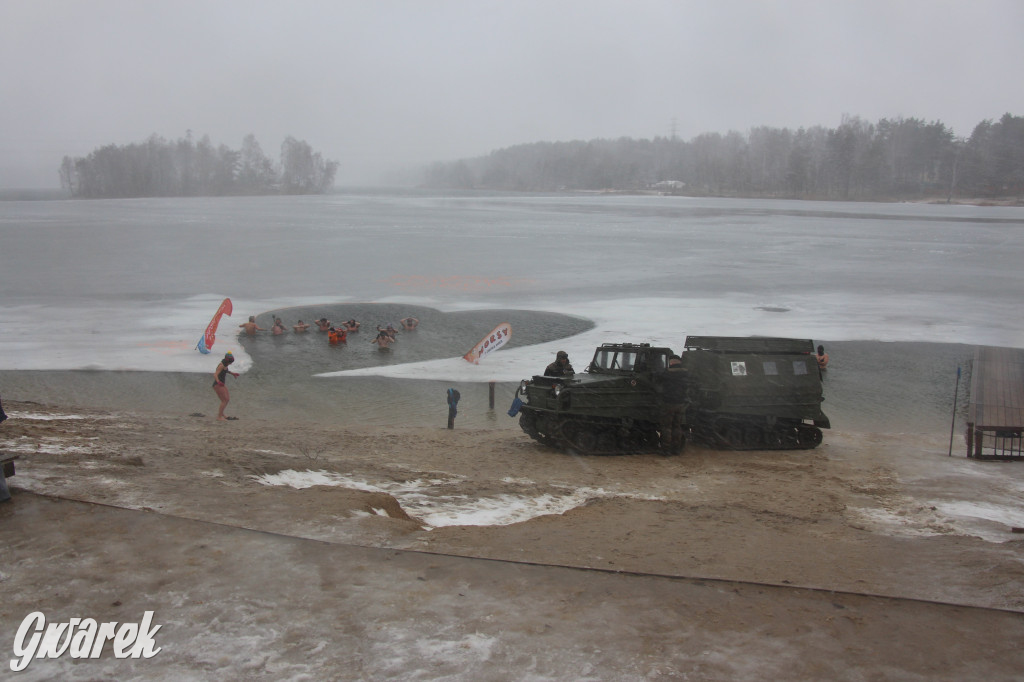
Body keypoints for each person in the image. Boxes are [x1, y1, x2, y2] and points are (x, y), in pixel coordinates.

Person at [660, 354, 689, 454]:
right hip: (681, 403)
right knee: (677, 426)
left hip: (669, 402)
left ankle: (666, 449)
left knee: (667, 426)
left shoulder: (667, 373)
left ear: (671, 362)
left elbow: (659, 379)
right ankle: (676, 448)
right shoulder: (686, 373)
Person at [212, 352, 240, 421]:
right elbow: (215, 374)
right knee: (224, 400)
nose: (231, 363)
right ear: (228, 360)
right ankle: (219, 417)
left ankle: (222, 414)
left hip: (222, 384)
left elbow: (225, 370)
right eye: (230, 362)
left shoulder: (225, 364)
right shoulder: (221, 365)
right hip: (218, 384)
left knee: (227, 399)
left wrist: (232, 373)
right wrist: (218, 382)